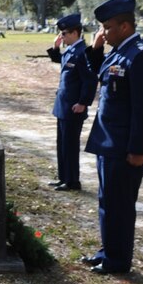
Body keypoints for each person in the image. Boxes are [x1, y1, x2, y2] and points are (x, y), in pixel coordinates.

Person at [81, 0, 143, 275]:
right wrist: (95, 50)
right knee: (107, 201)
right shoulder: (118, 52)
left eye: (107, 27)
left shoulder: (140, 56)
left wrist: (138, 149)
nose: (103, 32)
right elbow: (98, 75)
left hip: (127, 146)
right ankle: (108, 251)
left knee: (120, 205)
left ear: (125, 26)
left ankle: (118, 261)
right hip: (109, 142)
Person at [45, 13, 97, 191]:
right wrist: (55, 47)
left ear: (75, 33)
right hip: (63, 105)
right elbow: (60, 61)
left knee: (71, 145)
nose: (62, 37)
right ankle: (63, 177)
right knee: (62, 144)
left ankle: (73, 181)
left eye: (65, 33)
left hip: (74, 107)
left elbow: (89, 81)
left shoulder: (83, 52)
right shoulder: (71, 50)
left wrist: (83, 102)